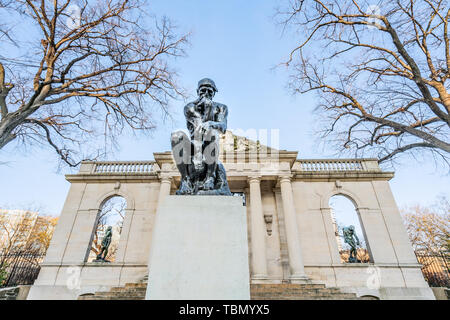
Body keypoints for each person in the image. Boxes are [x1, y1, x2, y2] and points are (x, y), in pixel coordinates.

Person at [171, 78, 231, 195]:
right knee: (176, 136)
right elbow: (198, 126)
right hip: (193, 146)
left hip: (210, 144)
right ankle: (186, 180)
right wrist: (207, 109)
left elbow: (223, 127)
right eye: (203, 90)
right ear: (198, 91)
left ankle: (210, 178)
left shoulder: (221, 107)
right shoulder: (190, 107)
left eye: (210, 91)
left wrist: (211, 123)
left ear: (214, 92)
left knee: (212, 133)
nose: (206, 94)